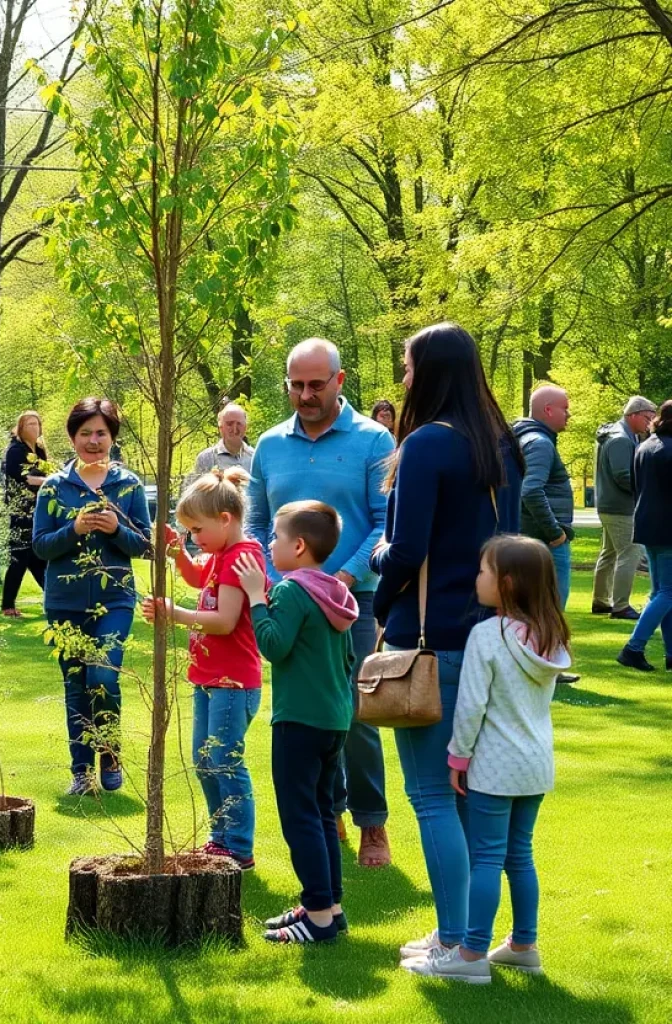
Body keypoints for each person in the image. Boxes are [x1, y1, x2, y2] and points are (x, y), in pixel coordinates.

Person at [371, 322, 523, 967]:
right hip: (492, 638)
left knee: (432, 793)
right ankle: (460, 935)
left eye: (408, 366)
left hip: (431, 644)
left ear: (429, 372)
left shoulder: (429, 444)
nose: (403, 377)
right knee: (465, 795)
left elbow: (405, 550)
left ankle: (461, 948)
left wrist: (378, 568)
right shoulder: (504, 444)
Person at [247, 338, 395, 868]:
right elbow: (257, 523)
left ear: (340, 379)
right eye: (296, 385)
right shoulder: (269, 445)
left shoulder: (374, 439)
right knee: (306, 715)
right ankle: (327, 815)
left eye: (315, 384)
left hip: (351, 602)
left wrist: (343, 575)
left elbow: (384, 522)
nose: (305, 395)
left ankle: (372, 822)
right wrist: (269, 581)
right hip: (288, 603)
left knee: (355, 713)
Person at [403, 535, 571, 982]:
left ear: (508, 583)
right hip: (535, 764)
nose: (476, 578)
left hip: (494, 767)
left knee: (486, 858)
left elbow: (472, 705)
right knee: (520, 854)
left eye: (483, 571)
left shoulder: (487, 635)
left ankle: (472, 955)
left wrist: (457, 758)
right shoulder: (550, 633)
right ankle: (523, 944)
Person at [233, 501, 359, 942]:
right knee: (323, 811)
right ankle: (328, 905)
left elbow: (273, 645)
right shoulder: (334, 591)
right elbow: (346, 660)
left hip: (299, 720)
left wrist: (255, 598)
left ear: (299, 546)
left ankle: (318, 917)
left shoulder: (289, 591)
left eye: (276, 537)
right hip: (333, 719)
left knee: (300, 816)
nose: (270, 544)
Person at [144, 468, 266, 870]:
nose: (194, 538)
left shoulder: (242, 557)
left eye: (197, 530)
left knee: (224, 760)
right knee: (205, 759)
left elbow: (227, 621)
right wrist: (179, 553)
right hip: (209, 677)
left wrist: (174, 614)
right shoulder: (219, 555)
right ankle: (220, 839)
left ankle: (238, 846)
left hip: (232, 681)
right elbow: (199, 577)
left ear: (225, 520)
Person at [32, 398, 151, 795]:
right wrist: (75, 529)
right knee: (76, 684)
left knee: (103, 674)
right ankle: (81, 772)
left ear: (113, 438)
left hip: (115, 599)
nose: (94, 441)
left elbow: (144, 546)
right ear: (72, 437)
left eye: (101, 433)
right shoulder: (54, 486)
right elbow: (40, 547)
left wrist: (117, 528)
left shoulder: (129, 485)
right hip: (64, 601)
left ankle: (110, 751)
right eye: (85, 434)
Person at [617, 400, 672, 672]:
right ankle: (633, 647)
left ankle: (671, 653)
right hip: (667, 528)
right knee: (668, 593)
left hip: (648, 525)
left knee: (662, 592)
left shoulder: (644, 446)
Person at [592, 396, 657, 620]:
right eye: (648, 418)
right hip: (621, 506)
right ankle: (620, 606)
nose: (650, 423)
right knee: (629, 552)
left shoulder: (616, 435)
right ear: (633, 415)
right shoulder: (622, 439)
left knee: (609, 554)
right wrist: (646, 489)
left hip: (609, 504)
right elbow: (623, 475)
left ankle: (601, 600)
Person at [513, 387, 574, 607]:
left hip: (531, 538)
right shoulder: (540, 443)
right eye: (565, 408)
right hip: (546, 542)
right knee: (552, 616)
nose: (569, 414)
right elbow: (530, 491)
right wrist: (555, 532)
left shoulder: (526, 439)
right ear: (548, 410)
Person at [1, 411, 48, 618]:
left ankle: (55, 598)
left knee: (37, 558)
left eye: (36, 424)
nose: (34, 428)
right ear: (20, 427)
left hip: (39, 508)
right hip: (20, 509)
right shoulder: (15, 450)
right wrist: (48, 481)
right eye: (29, 424)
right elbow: (23, 478)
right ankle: (7, 605)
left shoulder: (39, 450)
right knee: (20, 556)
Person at [190, 403, 254, 480]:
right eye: (229, 424)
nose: (234, 429)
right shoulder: (206, 459)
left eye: (239, 424)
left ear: (245, 427)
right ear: (220, 427)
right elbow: (198, 491)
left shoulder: (256, 458)